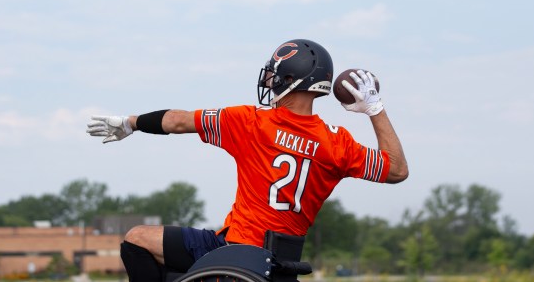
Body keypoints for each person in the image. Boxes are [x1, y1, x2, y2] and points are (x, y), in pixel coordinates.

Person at [86, 38, 408, 281]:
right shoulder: (338, 143)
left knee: (135, 241)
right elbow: (397, 169)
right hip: (281, 266)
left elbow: (178, 120)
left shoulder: (253, 122)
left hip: (233, 252)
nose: (269, 81)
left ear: (290, 79)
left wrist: (131, 122)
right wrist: (374, 109)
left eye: (274, 75)